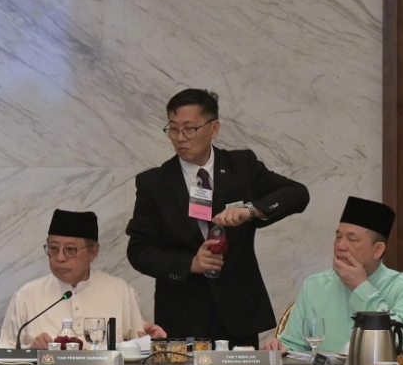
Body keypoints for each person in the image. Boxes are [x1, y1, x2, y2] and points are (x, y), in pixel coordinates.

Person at [126, 88, 309, 348]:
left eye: (189, 129)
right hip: (182, 315)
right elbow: (138, 251)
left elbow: (298, 193)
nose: (180, 138)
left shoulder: (241, 166)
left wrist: (252, 210)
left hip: (238, 314)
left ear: (214, 128)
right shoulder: (154, 183)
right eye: (173, 129)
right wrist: (190, 263)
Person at [264, 197, 403, 352]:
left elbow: (401, 343)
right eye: (338, 237)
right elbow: (293, 345)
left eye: (352, 239)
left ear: (377, 250)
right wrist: (281, 347)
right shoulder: (315, 285)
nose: (340, 245)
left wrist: (361, 287)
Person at [0, 209, 166, 348]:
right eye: (53, 248)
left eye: (70, 250)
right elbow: (4, 355)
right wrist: (30, 351)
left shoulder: (121, 292)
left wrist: (152, 343)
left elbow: (140, 347)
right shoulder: (26, 296)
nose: (60, 258)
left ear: (93, 252)